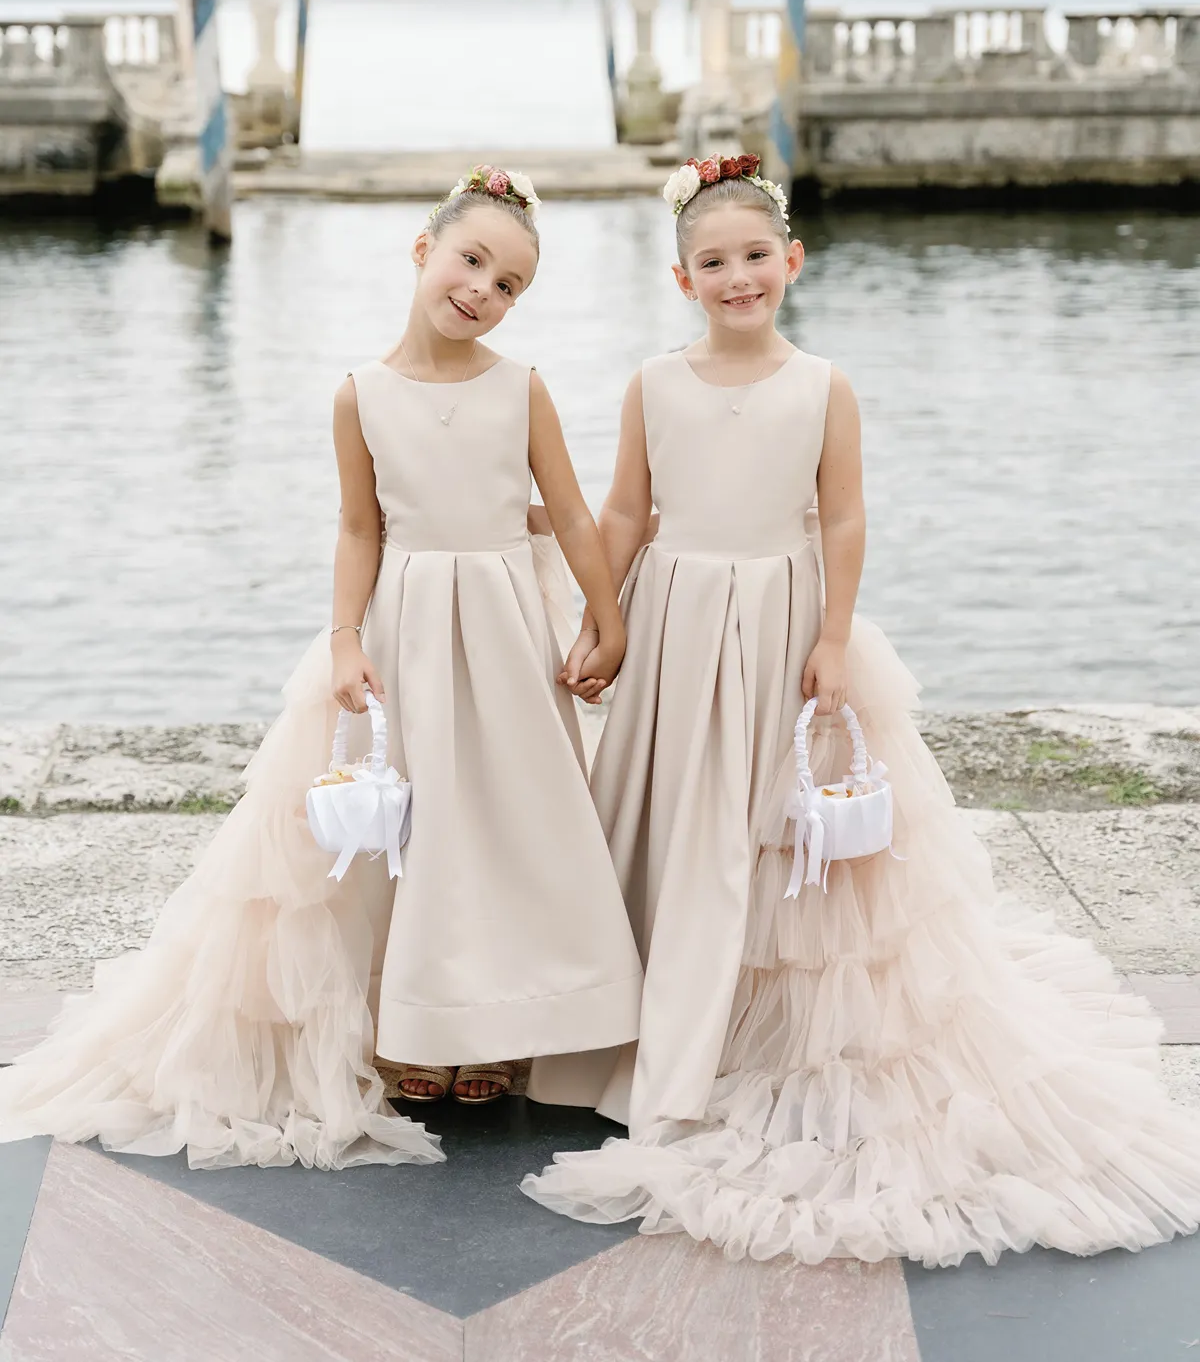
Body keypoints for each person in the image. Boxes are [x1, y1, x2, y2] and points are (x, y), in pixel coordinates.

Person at [523, 152, 1200, 1265]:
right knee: (670, 821)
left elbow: (841, 519)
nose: (737, 278)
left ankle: (742, 1031)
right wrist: (604, 619)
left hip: (782, 622)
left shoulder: (822, 384)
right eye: (713, 263)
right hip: (680, 614)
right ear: (680, 276)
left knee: (767, 835)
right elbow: (630, 509)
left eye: (754, 257)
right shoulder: (654, 381)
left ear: (790, 260)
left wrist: (833, 638)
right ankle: (640, 1026)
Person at [0, 166, 641, 1168]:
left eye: (511, 284)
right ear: (425, 251)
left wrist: (608, 621)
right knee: (411, 832)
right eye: (473, 261)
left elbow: (567, 511)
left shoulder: (522, 388)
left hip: (510, 632)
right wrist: (346, 641)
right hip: (405, 631)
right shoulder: (362, 395)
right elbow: (358, 528)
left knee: (506, 823)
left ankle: (501, 1030)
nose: (484, 290)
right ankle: (419, 1029)